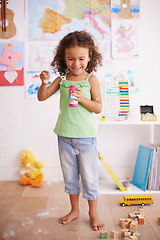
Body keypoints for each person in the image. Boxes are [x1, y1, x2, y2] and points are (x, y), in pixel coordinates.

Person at [37, 31, 104, 231]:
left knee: (90, 177)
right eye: (71, 59)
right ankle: (75, 210)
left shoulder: (91, 80)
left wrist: (83, 98)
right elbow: (42, 97)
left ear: (90, 57)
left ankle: (93, 213)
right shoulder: (62, 79)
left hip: (86, 138)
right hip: (64, 137)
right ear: (63, 58)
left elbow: (98, 107)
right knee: (70, 176)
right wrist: (43, 83)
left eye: (81, 58)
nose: (76, 63)